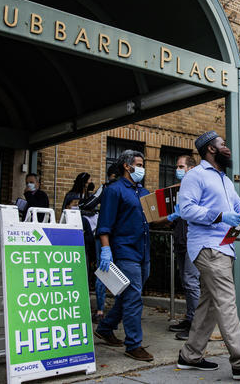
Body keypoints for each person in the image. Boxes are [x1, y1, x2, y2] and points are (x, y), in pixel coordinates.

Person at [176, 131, 240, 380]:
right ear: (210, 149)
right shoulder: (195, 176)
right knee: (227, 302)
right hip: (208, 247)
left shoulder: (225, 180)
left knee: (208, 305)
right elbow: (185, 209)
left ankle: (190, 355)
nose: (227, 148)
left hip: (224, 246)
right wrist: (219, 216)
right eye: (223, 145)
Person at [95, 150, 153, 361]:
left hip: (143, 251)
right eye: (139, 164)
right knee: (134, 297)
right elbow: (105, 224)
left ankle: (106, 327)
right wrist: (106, 249)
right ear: (127, 167)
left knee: (128, 295)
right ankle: (133, 344)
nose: (142, 168)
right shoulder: (115, 190)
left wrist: (172, 213)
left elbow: (153, 218)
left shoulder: (143, 192)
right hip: (125, 250)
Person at [167, 155, 200, 341]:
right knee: (185, 281)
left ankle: (196, 325)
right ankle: (189, 319)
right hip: (181, 239)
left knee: (191, 280)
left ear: (190, 168)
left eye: (181, 166)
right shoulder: (181, 189)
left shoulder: (196, 187)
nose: (177, 170)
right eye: (177, 166)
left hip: (193, 241)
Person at [90, 164, 119, 323]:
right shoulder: (127, 189)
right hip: (120, 237)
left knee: (103, 271)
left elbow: (88, 205)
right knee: (121, 272)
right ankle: (118, 310)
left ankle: (100, 310)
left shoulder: (106, 188)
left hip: (103, 235)